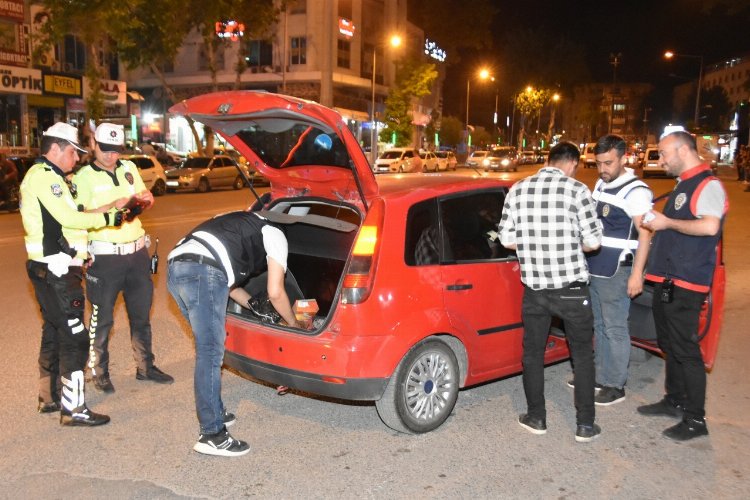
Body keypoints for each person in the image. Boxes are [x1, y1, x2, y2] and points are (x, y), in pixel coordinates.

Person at [167, 210, 300, 456]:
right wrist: (292, 324)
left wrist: (252, 305)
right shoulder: (276, 233)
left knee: (207, 348)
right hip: (202, 270)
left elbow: (224, 280)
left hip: (177, 266)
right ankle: (212, 434)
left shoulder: (238, 220)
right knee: (210, 352)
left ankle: (215, 414)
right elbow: (275, 291)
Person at [21, 122, 127, 426]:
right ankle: (74, 409)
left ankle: (49, 397)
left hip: (52, 266)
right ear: (54, 149)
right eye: (71, 152)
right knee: (77, 338)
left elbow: (66, 224)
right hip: (55, 271)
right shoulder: (44, 178)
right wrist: (109, 216)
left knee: (54, 331)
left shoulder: (51, 177)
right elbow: (69, 217)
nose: (75, 158)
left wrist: (83, 253)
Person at [498, 141, 603, 442]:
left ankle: (536, 417)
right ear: (572, 163)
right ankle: (585, 424)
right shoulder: (577, 190)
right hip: (571, 290)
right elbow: (594, 242)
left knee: (532, 353)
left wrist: (533, 245)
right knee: (582, 354)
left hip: (535, 291)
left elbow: (506, 240)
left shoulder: (518, 189)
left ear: (548, 159)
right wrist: (570, 243)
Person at [638, 129, 728, 441]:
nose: (660, 160)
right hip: (668, 279)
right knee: (668, 345)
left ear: (682, 150)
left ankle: (695, 419)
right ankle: (674, 399)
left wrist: (666, 222)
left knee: (686, 350)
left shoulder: (708, 184)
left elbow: (709, 226)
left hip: (687, 283)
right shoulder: (683, 184)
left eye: (663, 154)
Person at [73, 123, 173, 394]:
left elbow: (141, 197)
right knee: (101, 319)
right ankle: (100, 371)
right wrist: (109, 207)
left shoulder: (128, 169)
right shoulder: (82, 177)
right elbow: (76, 216)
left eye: (115, 151)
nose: (110, 156)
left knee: (141, 316)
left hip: (137, 253)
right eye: (105, 149)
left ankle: (145, 366)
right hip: (105, 257)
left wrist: (146, 199)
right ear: (94, 143)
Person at [585, 135, 653, 406]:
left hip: (617, 270)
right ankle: (601, 376)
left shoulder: (636, 191)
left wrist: (637, 274)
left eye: (608, 163)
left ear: (624, 158)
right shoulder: (602, 182)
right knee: (599, 325)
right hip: (596, 267)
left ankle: (615, 384)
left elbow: (645, 234)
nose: (603, 169)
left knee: (615, 328)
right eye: (599, 163)